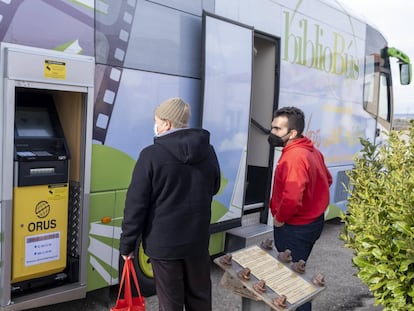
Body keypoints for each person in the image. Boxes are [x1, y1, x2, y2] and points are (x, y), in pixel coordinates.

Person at [119, 97, 221, 311]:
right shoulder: (208, 151)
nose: (154, 125)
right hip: (197, 241)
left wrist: (127, 245)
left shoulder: (151, 155)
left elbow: (136, 205)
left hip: (164, 245)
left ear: (166, 123)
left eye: (156, 120)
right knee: (200, 298)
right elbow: (214, 187)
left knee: (170, 303)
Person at [268, 106, 332, 311]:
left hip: (295, 227)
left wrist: (279, 219)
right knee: (297, 272)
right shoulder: (312, 150)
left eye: (277, 129)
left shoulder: (294, 157)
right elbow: (327, 180)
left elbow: (292, 197)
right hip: (312, 223)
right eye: (272, 127)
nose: (272, 133)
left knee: (292, 281)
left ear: (292, 133)